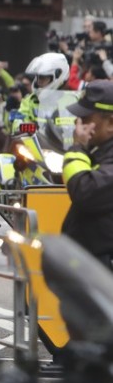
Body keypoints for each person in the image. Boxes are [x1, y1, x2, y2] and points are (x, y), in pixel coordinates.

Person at [61, 80, 113, 267]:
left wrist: (77, 149)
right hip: (90, 268)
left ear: (111, 123)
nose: (78, 124)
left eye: (86, 118)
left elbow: (85, 191)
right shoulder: (100, 150)